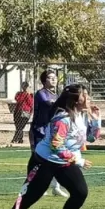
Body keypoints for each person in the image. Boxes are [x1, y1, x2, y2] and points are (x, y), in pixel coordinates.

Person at [2, 83, 100, 209]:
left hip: (64, 163)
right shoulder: (62, 119)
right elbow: (56, 145)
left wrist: (96, 120)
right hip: (44, 162)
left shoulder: (82, 116)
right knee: (31, 195)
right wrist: (78, 160)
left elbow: (91, 138)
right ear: (75, 100)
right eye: (85, 95)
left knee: (80, 193)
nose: (88, 98)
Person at [29, 70, 69, 198]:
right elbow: (49, 105)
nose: (54, 80)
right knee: (38, 159)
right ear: (44, 81)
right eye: (50, 78)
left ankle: (56, 187)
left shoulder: (56, 95)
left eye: (55, 78)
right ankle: (34, 186)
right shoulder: (41, 94)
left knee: (55, 158)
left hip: (51, 130)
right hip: (39, 130)